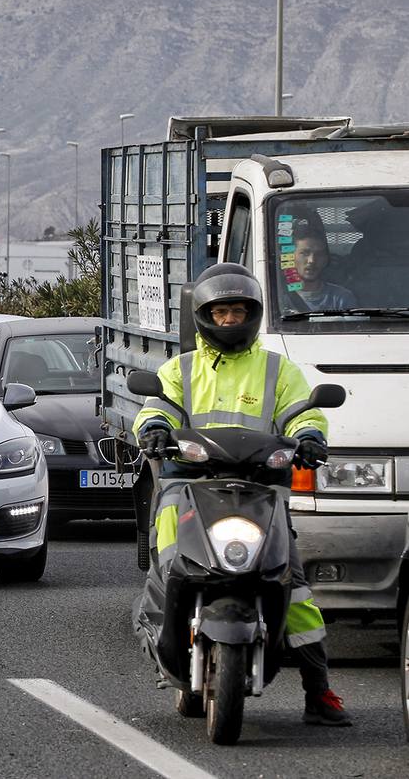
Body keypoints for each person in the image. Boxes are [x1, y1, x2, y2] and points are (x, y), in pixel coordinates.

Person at [133, 262, 352, 727]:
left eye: (238, 311)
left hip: (260, 490)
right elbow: (156, 407)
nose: (230, 320)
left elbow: (302, 412)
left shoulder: (278, 369)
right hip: (188, 486)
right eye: (221, 312)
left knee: (291, 584)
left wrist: (310, 437)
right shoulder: (180, 369)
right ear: (203, 316)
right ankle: (163, 645)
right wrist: (153, 429)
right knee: (172, 562)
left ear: (252, 314)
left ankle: (320, 691)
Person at [291, 230, 355, 311]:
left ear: (326, 260)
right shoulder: (279, 298)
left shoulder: (342, 298)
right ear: (292, 257)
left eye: (319, 254)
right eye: (304, 253)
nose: (312, 260)